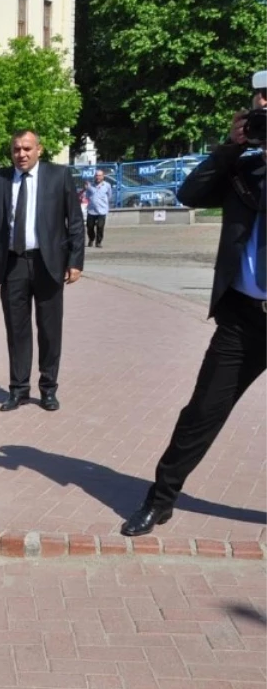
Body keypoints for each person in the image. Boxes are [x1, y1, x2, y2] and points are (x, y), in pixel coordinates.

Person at [121, 71, 267, 537]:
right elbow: (189, 193)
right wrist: (230, 147)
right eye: (259, 101)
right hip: (244, 318)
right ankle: (160, 500)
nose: (263, 105)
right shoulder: (243, 166)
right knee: (202, 411)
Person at [0, 129, 85, 413]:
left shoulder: (58, 176)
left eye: (26, 149)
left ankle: (48, 389)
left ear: (39, 149)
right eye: (16, 149)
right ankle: (19, 389)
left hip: (48, 264)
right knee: (17, 330)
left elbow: (75, 222)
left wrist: (75, 260)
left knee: (49, 330)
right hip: (12, 264)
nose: (21, 154)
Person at [84, 169, 112, 248]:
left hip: (102, 210)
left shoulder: (107, 185)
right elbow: (87, 196)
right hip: (92, 210)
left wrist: (104, 203)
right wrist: (87, 189)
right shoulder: (90, 186)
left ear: (103, 176)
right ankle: (91, 239)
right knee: (89, 226)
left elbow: (109, 196)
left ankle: (98, 242)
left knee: (100, 226)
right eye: (96, 175)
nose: (98, 177)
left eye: (99, 175)